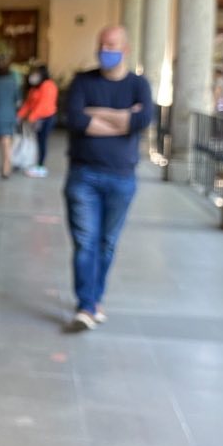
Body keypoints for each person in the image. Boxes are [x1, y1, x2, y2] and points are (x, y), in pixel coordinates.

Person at [63, 26, 153, 331]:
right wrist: (123, 119)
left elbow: (142, 120)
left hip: (122, 177)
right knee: (85, 242)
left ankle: (94, 298)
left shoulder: (139, 85)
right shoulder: (82, 81)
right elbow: (76, 119)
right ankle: (86, 305)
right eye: (101, 44)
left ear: (125, 49)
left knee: (107, 243)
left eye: (111, 44)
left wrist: (98, 115)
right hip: (83, 174)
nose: (105, 49)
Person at [18, 63, 58, 178]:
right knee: (37, 141)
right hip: (37, 118)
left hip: (46, 118)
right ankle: (35, 164)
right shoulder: (35, 88)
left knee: (42, 141)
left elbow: (44, 105)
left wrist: (32, 117)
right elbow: (28, 104)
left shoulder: (48, 85)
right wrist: (20, 115)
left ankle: (41, 166)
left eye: (36, 74)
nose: (33, 76)